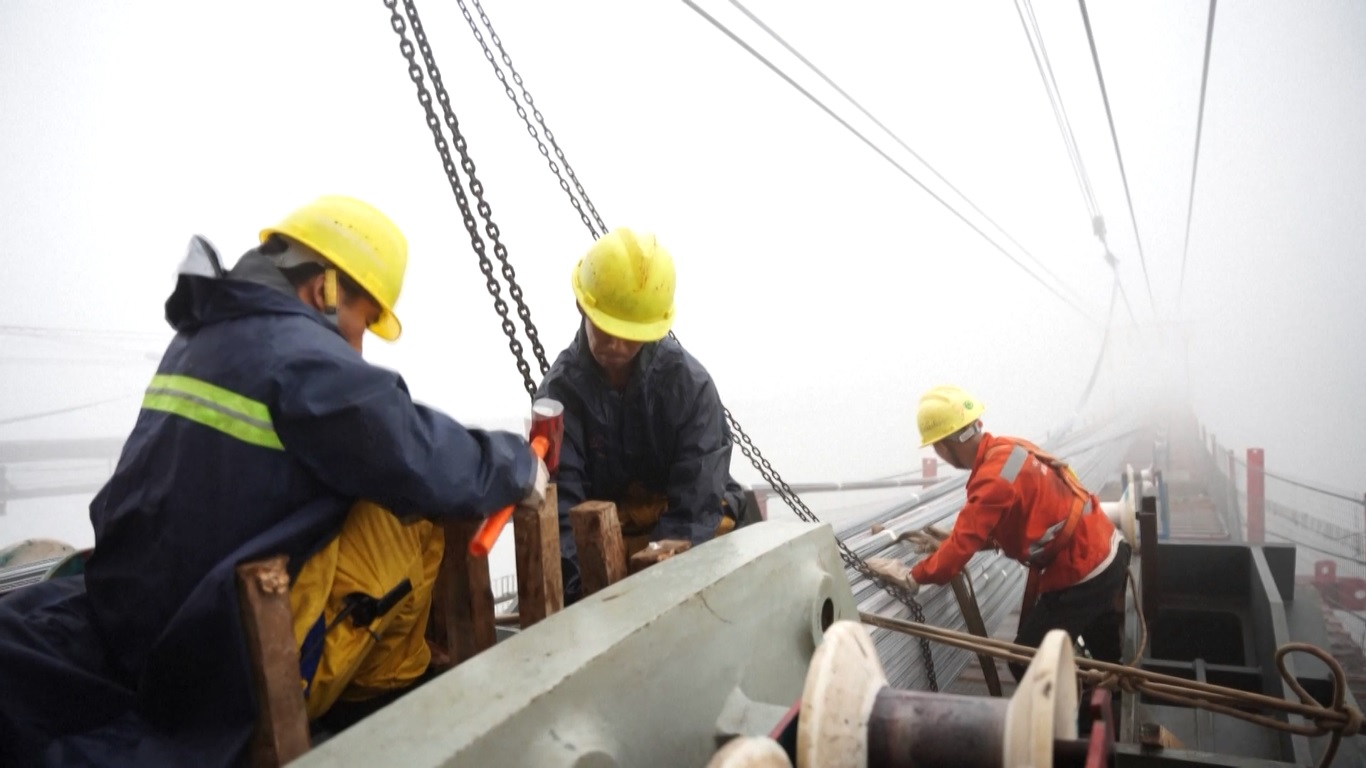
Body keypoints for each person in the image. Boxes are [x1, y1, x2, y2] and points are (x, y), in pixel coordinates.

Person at [0, 195, 547, 767]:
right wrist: (516, 463)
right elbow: (418, 453)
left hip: (134, 612)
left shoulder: (200, 339)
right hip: (219, 649)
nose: (359, 347)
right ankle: (387, 697)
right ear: (325, 291)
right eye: (363, 323)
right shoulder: (300, 356)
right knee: (411, 524)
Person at [535, 227, 751, 601]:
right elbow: (563, 511)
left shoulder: (690, 387)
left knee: (725, 525)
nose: (617, 345)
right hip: (605, 533)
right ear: (583, 307)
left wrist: (655, 585)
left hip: (684, 528)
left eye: (630, 333)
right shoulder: (559, 395)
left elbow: (696, 504)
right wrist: (582, 600)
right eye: (607, 329)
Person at [867, 385, 1129, 681]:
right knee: (1108, 660)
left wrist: (912, 576)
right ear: (975, 424)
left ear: (942, 446)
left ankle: (1071, 720)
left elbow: (955, 557)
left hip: (1085, 571)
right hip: (1107, 548)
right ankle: (1109, 690)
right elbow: (1019, 515)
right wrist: (955, 539)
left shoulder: (992, 479)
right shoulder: (1008, 448)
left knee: (1025, 662)